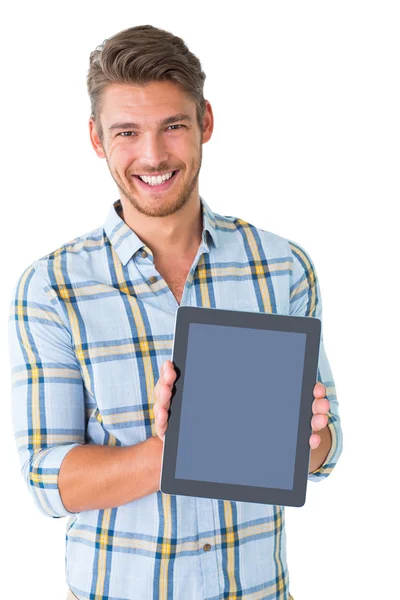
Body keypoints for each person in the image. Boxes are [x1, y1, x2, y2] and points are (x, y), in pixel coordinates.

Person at [8, 24, 343, 600]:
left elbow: (322, 454)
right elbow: (47, 479)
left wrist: (308, 440)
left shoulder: (282, 266)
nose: (153, 155)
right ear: (96, 138)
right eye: (127, 132)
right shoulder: (52, 287)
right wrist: (171, 452)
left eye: (174, 126)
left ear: (206, 123)